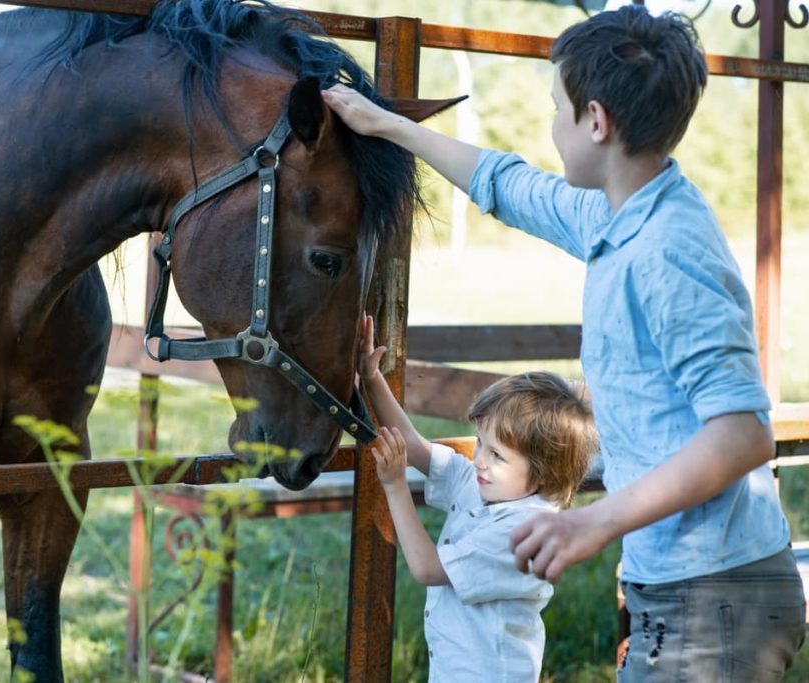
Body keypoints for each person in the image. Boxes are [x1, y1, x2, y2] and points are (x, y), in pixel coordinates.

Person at [325, 5, 807, 680]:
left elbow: (743, 435)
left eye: (558, 108)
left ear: (597, 121)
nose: (552, 125)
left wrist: (594, 521)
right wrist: (391, 127)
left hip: (716, 595)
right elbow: (507, 183)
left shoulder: (668, 250)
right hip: (681, 587)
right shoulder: (616, 213)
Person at [360, 313, 597, 682]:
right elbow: (415, 446)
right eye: (481, 444)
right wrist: (372, 379)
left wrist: (394, 486)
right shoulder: (488, 485)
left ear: (543, 473)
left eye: (497, 455)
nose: (479, 460)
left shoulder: (525, 531)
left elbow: (427, 569)